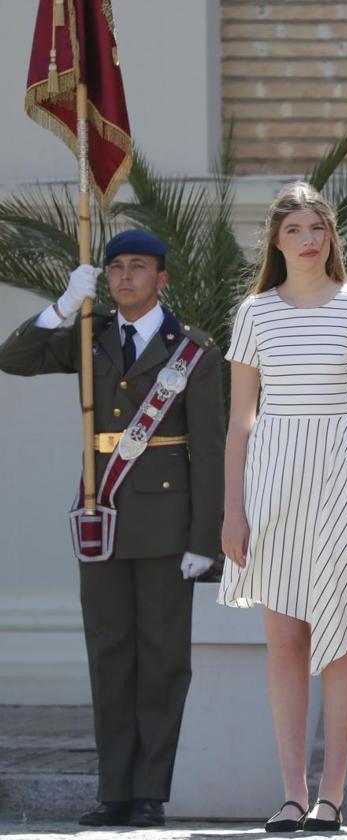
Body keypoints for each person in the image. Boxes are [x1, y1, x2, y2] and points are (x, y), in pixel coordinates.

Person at [0, 230, 224, 827]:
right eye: (117, 267)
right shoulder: (89, 336)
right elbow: (13, 358)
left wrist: (206, 540)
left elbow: (209, 450)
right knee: (109, 656)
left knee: (162, 660)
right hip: (102, 518)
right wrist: (64, 305)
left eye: (139, 267)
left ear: (162, 279)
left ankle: (149, 792)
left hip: (167, 526)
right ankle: (113, 791)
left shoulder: (193, 350)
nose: (125, 276)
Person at [218, 182, 347, 832]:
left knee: (343, 639)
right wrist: (232, 510)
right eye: (294, 228)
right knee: (286, 642)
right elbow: (239, 421)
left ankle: (333, 795)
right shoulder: (254, 313)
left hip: (344, 475)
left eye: (317, 227)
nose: (308, 239)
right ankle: (292, 795)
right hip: (274, 479)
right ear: (276, 240)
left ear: (330, 236)